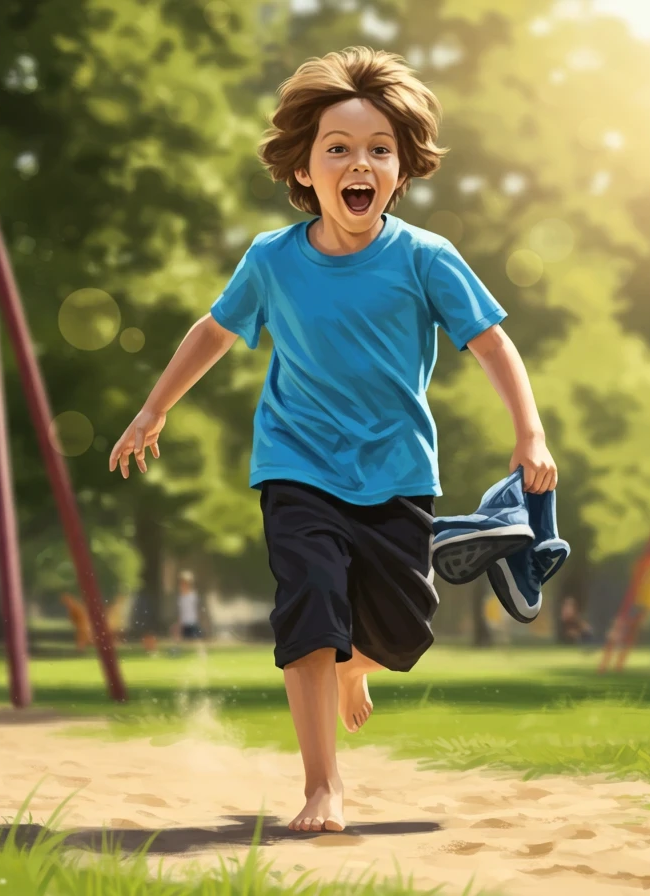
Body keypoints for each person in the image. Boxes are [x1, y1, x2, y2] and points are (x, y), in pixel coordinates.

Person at [108, 47, 557, 834]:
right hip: (296, 464)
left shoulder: (425, 258)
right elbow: (213, 332)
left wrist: (530, 431)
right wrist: (153, 409)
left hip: (396, 470)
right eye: (338, 149)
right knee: (310, 606)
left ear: (402, 166)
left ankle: (357, 667)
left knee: (408, 630)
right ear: (305, 170)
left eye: (378, 148)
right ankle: (323, 785)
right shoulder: (272, 260)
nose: (360, 163)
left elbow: (490, 343)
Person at [171, 570, 205, 647]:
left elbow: (199, 609)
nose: (182, 585)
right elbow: (181, 612)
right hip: (183, 624)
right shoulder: (180, 597)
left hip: (193, 623)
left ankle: (202, 657)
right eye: (181, 583)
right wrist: (178, 624)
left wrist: (201, 621)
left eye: (184, 583)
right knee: (180, 642)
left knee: (197, 642)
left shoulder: (193, 596)